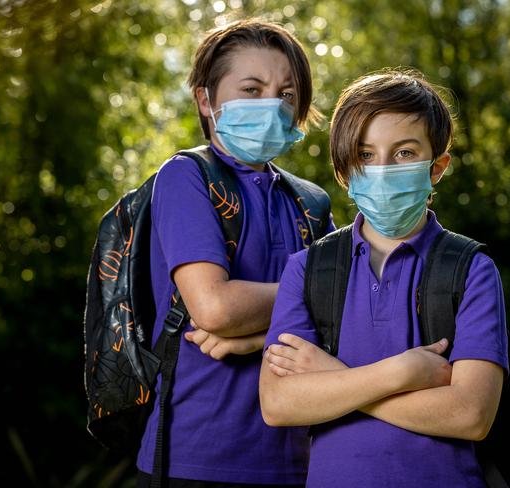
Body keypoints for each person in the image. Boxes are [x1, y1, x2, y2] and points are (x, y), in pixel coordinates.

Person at [259, 69, 508, 487]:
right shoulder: (308, 269)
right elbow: (278, 403)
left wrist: (332, 376)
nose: (382, 168)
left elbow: (471, 415)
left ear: (437, 167)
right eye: (365, 154)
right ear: (344, 171)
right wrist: (401, 373)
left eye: (405, 153)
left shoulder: (472, 269)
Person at [136, 19, 334, 487]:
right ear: (207, 100)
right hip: (197, 460)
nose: (271, 104)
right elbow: (216, 308)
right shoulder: (186, 177)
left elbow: (346, 317)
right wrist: (309, 296)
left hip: (301, 462)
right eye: (251, 88)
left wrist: (255, 338)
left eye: (286, 94)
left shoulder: (312, 202)